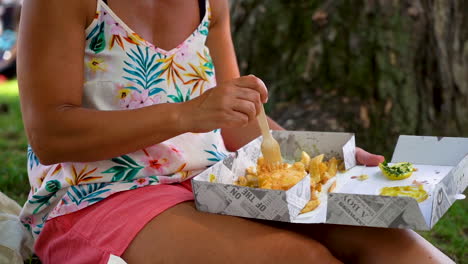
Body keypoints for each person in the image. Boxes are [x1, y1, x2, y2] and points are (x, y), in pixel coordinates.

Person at [17, 0, 453, 263]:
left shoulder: (211, 3)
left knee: (392, 242)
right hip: (96, 196)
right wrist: (186, 114)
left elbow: (240, 126)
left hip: (214, 185)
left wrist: (333, 160)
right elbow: (51, 133)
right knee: (295, 260)